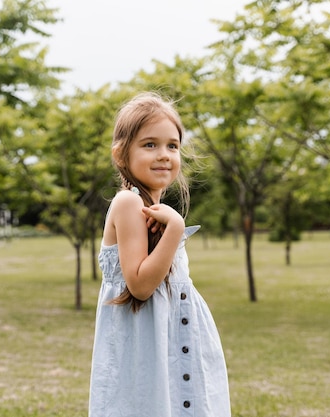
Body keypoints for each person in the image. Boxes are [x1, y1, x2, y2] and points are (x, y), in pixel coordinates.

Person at [88, 92, 231, 417]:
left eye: (172, 145)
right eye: (149, 144)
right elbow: (140, 285)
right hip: (144, 346)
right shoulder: (128, 203)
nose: (164, 154)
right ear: (121, 153)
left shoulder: (154, 210)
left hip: (172, 339)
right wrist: (176, 228)